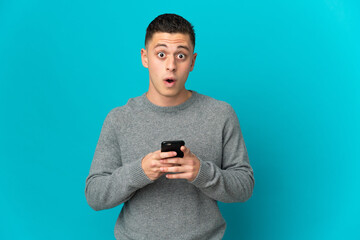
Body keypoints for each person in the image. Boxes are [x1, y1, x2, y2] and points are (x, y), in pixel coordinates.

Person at [85, 13, 254, 240]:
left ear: (192, 61)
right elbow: (95, 195)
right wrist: (140, 172)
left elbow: (244, 186)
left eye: (181, 56)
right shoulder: (119, 119)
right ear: (145, 58)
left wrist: (201, 173)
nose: (171, 66)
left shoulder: (220, 114)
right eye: (161, 54)